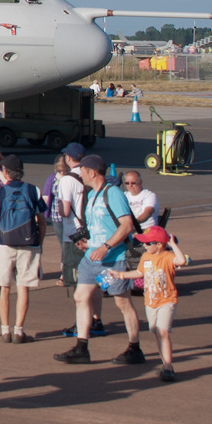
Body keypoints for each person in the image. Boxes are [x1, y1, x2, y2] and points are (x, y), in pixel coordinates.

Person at [54, 155, 143, 365]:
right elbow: (98, 227)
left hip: (113, 259)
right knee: (80, 296)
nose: (80, 175)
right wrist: (88, 242)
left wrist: (106, 247)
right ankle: (81, 348)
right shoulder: (92, 194)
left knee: (122, 302)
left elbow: (126, 225)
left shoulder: (112, 194)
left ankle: (134, 348)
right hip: (91, 257)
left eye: (82, 171)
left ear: (92, 172)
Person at [102, 226, 187, 382]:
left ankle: (168, 367)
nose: (144, 246)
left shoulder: (168, 257)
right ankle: (165, 363)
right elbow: (140, 273)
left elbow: (181, 260)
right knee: (156, 332)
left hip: (167, 300)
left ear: (160, 244)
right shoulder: (146, 257)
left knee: (163, 332)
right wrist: (120, 275)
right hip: (150, 301)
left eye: (148, 243)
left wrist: (173, 243)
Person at [0, 154, 44, 343]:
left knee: (4, 287)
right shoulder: (33, 190)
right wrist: (39, 242)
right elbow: (42, 221)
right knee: (23, 287)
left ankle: (5, 330)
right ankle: (19, 331)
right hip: (29, 243)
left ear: (5, 172)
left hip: (4, 243)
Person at [56, 144, 106, 337]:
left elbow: (65, 211)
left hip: (74, 235)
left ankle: (81, 323)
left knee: (79, 283)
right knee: (93, 281)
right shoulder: (88, 177)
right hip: (92, 232)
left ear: (68, 158)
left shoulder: (66, 180)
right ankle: (96, 319)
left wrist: (58, 208)